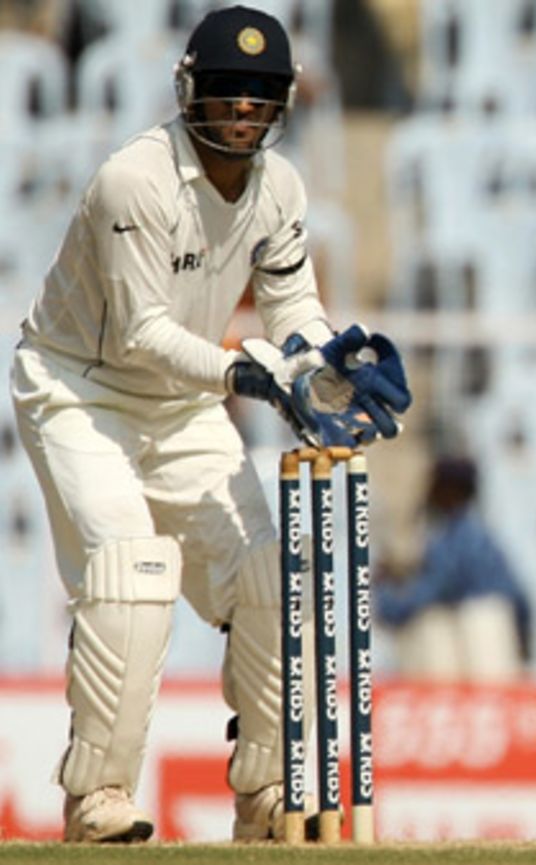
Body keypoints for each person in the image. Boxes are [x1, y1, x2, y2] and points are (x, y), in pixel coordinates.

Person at [9, 5, 410, 844]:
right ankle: (99, 798)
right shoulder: (135, 181)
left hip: (183, 405)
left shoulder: (281, 187)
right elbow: (140, 335)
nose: (240, 111)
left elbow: (292, 306)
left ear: (282, 103)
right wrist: (246, 371)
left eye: (258, 96)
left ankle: (265, 793)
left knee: (270, 577)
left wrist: (324, 365)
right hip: (84, 391)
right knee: (132, 573)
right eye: (226, 93)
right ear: (190, 92)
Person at [374, 456, 531, 682]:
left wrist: (387, 599)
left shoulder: (454, 538)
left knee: (436, 629)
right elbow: (521, 599)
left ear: (449, 490)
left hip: (480, 626)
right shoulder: (481, 534)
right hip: (494, 624)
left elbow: (430, 590)